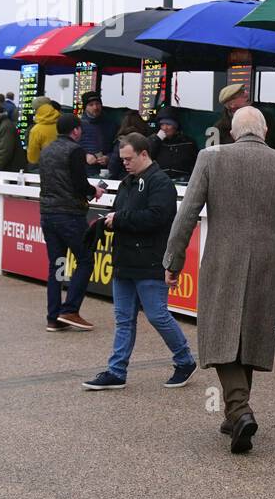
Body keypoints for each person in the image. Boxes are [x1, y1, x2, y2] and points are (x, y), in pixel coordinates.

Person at [164, 106, 275, 454]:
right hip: (268, 263)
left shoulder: (211, 158)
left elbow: (186, 215)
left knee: (221, 331)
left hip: (222, 260)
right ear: (265, 133)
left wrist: (173, 260)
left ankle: (240, 409)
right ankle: (233, 415)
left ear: (233, 132)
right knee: (250, 335)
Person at [83, 133, 197, 391]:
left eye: (129, 158)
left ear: (144, 154)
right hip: (125, 259)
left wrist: (119, 219)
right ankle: (116, 370)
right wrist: (108, 223)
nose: (124, 163)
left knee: (157, 315)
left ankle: (185, 360)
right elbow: (124, 214)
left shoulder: (161, 183)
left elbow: (158, 217)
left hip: (150, 260)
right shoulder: (127, 182)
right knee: (123, 318)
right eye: (122, 159)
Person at [38, 114, 104, 332]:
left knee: (57, 264)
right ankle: (70, 309)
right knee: (85, 260)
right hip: (70, 215)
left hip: (48, 214)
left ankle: (53, 317)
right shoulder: (75, 151)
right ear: (75, 130)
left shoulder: (46, 150)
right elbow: (79, 183)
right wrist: (94, 190)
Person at [210, 83, 275, 153]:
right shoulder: (216, 130)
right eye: (241, 94)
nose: (247, 94)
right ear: (231, 104)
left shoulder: (266, 118)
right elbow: (211, 157)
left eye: (245, 91)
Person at [148, 110, 198, 181]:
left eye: (168, 124)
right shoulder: (155, 141)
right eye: (162, 125)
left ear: (175, 126)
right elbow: (147, 156)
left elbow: (195, 165)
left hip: (182, 182)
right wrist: (157, 139)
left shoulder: (188, 143)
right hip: (160, 181)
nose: (165, 128)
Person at [78, 91, 116, 176]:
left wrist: (108, 158)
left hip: (105, 173)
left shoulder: (111, 124)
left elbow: (117, 148)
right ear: (85, 107)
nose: (95, 107)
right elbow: (70, 147)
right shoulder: (77, 125)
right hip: (83, 172)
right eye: (91, 105)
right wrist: (84, 156)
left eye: (97, 104)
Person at [26, 96, 60, 167]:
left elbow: (33, 158)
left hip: (43, 167)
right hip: (62, 167)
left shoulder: (35, 130)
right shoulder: (63, 122)